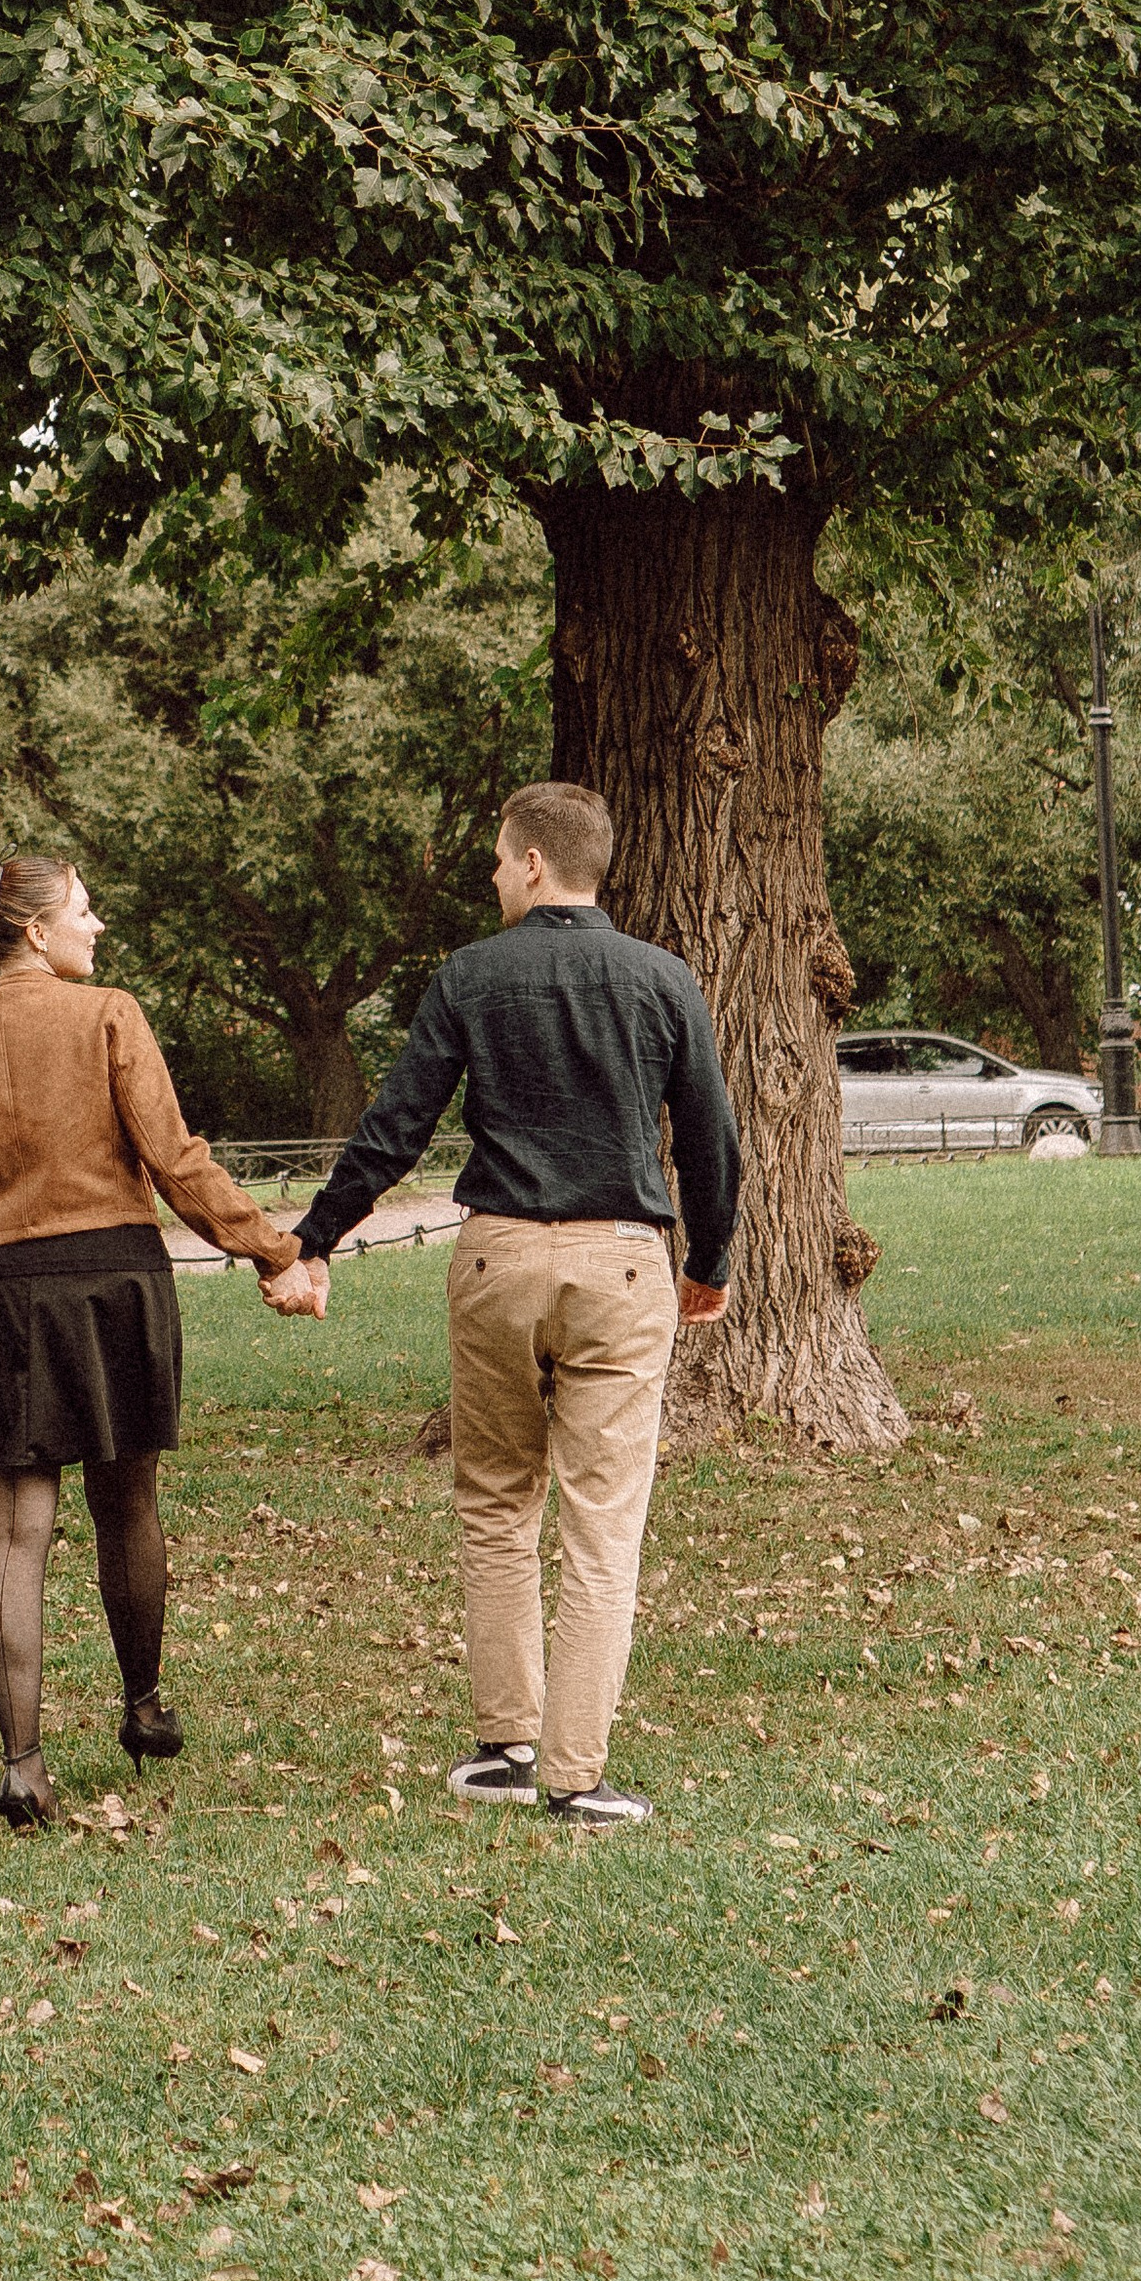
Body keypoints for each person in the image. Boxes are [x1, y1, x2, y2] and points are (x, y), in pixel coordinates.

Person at [263, 781, 738, 1830]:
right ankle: (576, 1778)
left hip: (496, 1259)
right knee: (602, 1525)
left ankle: (506, 1746)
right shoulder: (662, 978)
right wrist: (709, 1260)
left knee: (494, 1502)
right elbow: (710, 1135)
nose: (490, 877)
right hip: (622, 1262)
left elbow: (395, 1126)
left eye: (494, 859)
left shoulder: (472, 977)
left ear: (532, 862)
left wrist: (313, 1238)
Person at [0, 850, 305, 1830]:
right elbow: (176, 1160)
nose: (97, 924)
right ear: (36, 930)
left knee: (12, 1530)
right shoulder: (110, 1015)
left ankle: (23, 1767)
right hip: (114, 1280)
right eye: (84, 909)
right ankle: (144, 1706)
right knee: (127, 1500)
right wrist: (273, 1249)